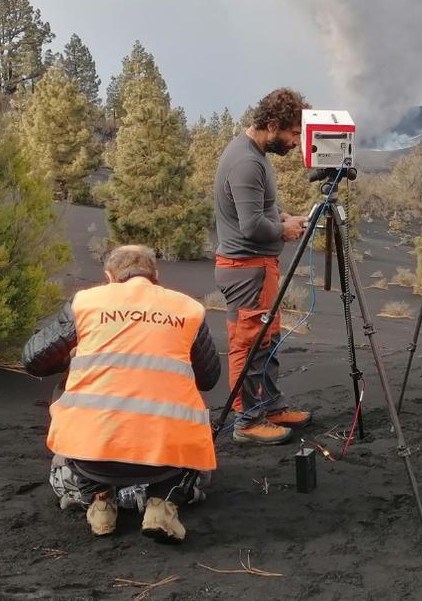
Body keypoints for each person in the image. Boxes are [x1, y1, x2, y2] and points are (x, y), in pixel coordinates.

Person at [22, 245, 222, 542]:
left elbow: (33, 359)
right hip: (164, 463)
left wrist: (73, 359)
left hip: (92, 458)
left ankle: (100, 502)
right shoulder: (187, 309)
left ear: (108, 277)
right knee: (186, 402)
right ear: (156, 275)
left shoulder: (86, 303)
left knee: (67, 389)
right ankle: (161, 505)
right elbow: (209, 378)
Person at [213, 87, 312, 445]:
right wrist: (283, 230)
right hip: (246, 269)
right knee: (250, 343)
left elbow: (261, 210)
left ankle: (268, 405)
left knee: (265, 340)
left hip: (256, 267)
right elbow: (251, 225)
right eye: (292, 133)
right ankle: (248, 421)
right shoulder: (246, 162)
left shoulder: (256, 155)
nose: (295, 141)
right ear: (272, 124)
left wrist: (285, 216)